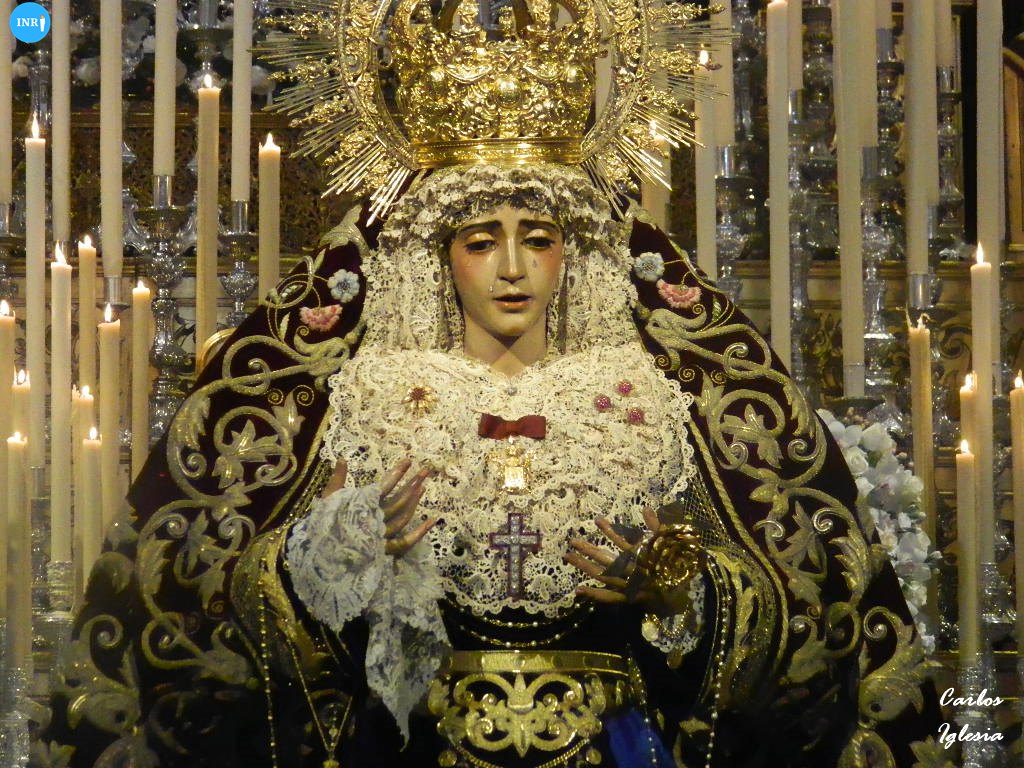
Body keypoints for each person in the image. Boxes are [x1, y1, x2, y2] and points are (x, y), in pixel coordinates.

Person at [36, 2, 947, 767]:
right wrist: (332, 554)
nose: (513, 268)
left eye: (538, 239)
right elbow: (225, 612)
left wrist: (681, 586)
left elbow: (797, 607)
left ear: (573, 252)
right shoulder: (368, 397)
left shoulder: (649, 396)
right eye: (481, 241)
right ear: (440, 258)